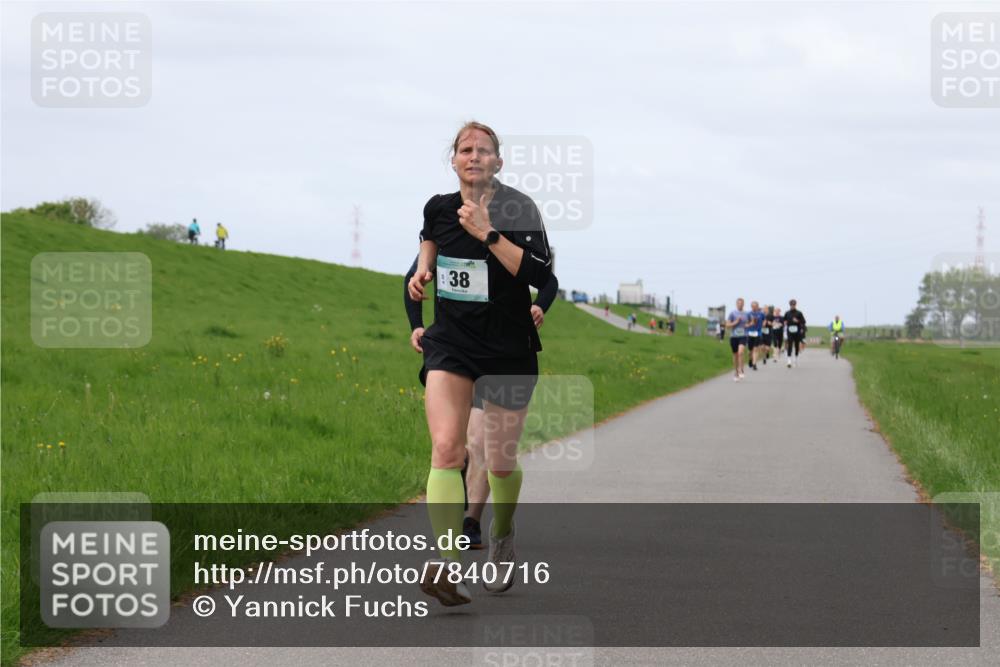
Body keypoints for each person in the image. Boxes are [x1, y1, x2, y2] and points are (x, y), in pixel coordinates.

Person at [407, 121, 552, 606]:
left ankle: (503, 533)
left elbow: (538, 273)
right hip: (452, 343)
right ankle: (448, 565)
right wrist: (424, 266)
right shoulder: (439, 207)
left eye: (483, 150)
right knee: (447, 449)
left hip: (509, 348)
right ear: (454, 160)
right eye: (465, 149)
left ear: (498, 162)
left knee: (501, 462)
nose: (473, 156)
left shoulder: (519, 209)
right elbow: (430, 238)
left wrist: (487, 234)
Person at [403, 257, 559, 550]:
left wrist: (539, 306)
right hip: (458, 352)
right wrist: (417, 324)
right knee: (458, 445)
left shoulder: (509, 234)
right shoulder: (446, 232)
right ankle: (456, 546)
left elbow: (548, 280)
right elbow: (413, 277)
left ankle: (483, 525)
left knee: (489, 448)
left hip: (503, 353)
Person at [722, 298, 749, 381]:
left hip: (743, 336)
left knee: (741, 352)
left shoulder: (746, 314)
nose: (740, 304)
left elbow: (751, 322)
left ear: (743, 304)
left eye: (741, 303)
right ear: (736, 304)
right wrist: (736, 322)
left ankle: (741, 370)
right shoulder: (732, 313)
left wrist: (748, 325)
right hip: (734, 336)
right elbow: (727, 325)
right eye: (738, 303)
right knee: (735, 355)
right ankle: (736, 372)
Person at [783, 299, 807, 367]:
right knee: (790, 345)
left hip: (797, 331)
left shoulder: (799, 313)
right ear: (789, 305)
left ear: (795, 305)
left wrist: (798, 321)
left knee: (796, 345)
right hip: (789, 331)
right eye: (791, 305)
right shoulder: (787, 313)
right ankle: (789, 361)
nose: (792, 306)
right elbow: (784, 320)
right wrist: (784, 322)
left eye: (794, 305)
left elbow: (804, 322)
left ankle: (796, 359)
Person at [746, 301, 765, 370]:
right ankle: (750, 359)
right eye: (752, 306)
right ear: (751, 307)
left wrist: (764, 324)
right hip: (750, 333)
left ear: (757, 306)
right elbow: (746, 324)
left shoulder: (761, 314)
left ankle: (754, 364)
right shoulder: (748, 314)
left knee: (756, 349)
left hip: (758, 333)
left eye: (755, 306)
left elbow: (764, 320)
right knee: (750, 351)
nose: (754, 307)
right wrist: (750, 324)